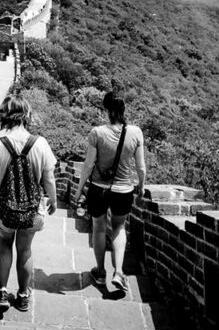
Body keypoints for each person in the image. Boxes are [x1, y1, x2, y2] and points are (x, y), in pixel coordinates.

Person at [0, 96, 57, 313]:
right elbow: (49, 179)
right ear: (26, 115)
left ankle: (3, 291)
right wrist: (53, 199)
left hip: (5, 209)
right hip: (32, 210)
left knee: (5, 243)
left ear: (5, 115)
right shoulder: (40, 143)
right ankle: (23, 295)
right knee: (25, 249)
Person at [72, 91, 146, 293]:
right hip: (124, 189)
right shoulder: (136, 133)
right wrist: (142, 185)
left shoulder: (97, 132)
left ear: (106, 109)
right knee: (120, 227)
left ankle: (100, 271)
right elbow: (141, 167)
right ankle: (119, 272)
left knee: (99, 228)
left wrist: (79, 192)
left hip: (98, 189)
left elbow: (87, 166)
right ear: (124, 109)